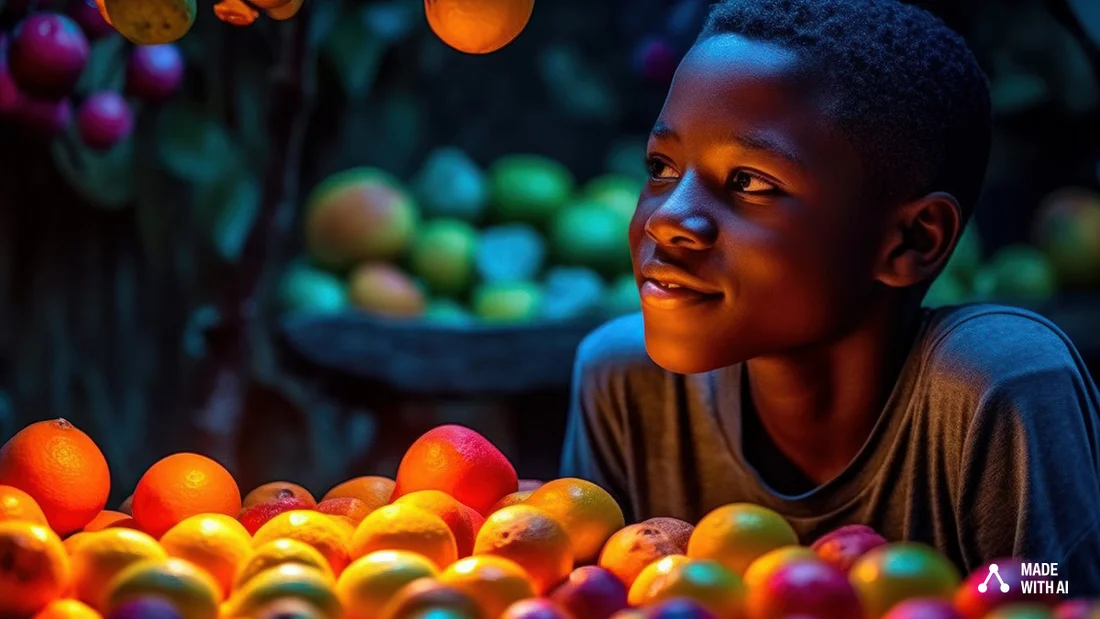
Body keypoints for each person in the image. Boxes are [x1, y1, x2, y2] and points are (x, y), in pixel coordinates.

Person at [560, 0, 1100, 590]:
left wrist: (976, 593)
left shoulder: (1001, 386)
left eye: (749, 182)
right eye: (661, 167)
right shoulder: (624, 382)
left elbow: (1054, 587)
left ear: (911, 241)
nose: (667, 217)